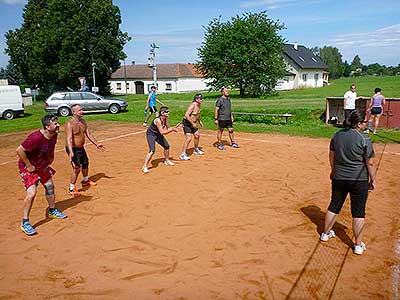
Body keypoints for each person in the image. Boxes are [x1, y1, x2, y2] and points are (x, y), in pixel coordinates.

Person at [320, 110, 376, 255]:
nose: (366, 124)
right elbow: (370, 163)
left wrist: (333, 171)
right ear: (358, 124)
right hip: (358, 180)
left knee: (334, 205)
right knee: (358, 212)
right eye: (364, 122)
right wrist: (373, 179)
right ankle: (358, 245)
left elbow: (331, 155)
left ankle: (325, 234)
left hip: (338, 177)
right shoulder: (364, 139)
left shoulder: (336, 135)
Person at [16, 114, 67, 236]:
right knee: (32, 193)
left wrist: (50, 159)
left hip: (42, 166)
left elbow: (50, 148)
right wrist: (29, 165)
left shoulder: (54, 134)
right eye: (55, 124)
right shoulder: (35, 137)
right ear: (47, 126)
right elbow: (19, 150)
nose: (58, 125)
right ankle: (25, 222)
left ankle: (52, 210)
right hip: (29, 167)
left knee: (50, 186)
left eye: (57, 122)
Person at [65, 104, 105, 197]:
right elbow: (69, 139)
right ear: (74, 112)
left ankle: (85, 180)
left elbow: (88, 134)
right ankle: (71, 189)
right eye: (79, 110)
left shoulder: (83, 122)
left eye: (82, 110)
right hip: (73, 149)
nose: (82, 112)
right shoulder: (69, 124)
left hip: (81, 148)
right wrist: (71, 151)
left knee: (86, 163)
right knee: (77, 168)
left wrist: (96, 144)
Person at [142, 106, 181, 173]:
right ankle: (145, 166)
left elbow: (168, 128)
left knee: (166, 146)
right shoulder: (158, 120)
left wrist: (174, 128)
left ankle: (166, 160)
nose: (169, 113)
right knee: (152, 150)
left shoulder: (165, 119)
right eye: (167, 112)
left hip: (158, 134)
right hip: (151, 134)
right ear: (162, 113)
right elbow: (162, 132)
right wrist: (172, 129)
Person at [180, 94, 205, 160]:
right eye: (201, 98)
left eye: (202, 98)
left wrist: (200, 122)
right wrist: (192, 123)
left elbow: (197, 114)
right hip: (187, 123)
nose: (202, 99)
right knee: (189, 138)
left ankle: (196, 149)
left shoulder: (199, 105)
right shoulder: (192, 105)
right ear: (196, 99)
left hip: (193, 123)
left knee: (197, 135)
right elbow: (186, 115)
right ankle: (183, 154)